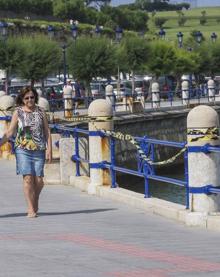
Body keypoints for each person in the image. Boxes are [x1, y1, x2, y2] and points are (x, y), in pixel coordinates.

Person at [0, 87, 52, 218]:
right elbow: (10, 131)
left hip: (39, 149)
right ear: (22, 99)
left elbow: (47, 132)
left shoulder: (41, 111)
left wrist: (49, 149)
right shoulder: (18, 112)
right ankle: (30, 209)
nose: (29, 100)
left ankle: (35, 199)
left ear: (35, 97)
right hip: (22, 149)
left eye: (32, 97)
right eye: (27, 98)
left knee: (39, 181)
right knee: (28, 178)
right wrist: (1, 142)